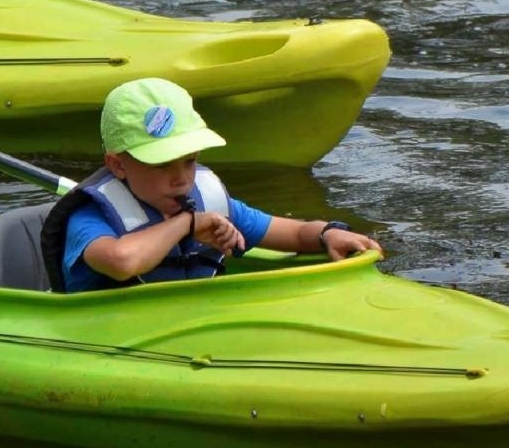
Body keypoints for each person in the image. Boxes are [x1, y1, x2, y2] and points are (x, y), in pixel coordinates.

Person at [42, 77, 380, 293]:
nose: (182, 179)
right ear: (118, 165)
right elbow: (121, 262)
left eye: (190, 161)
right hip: (104, 338)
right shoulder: (90, 218)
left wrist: (328, 233)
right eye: (162, 165)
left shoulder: (209, 201)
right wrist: (188, 225)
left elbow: (292, 233)